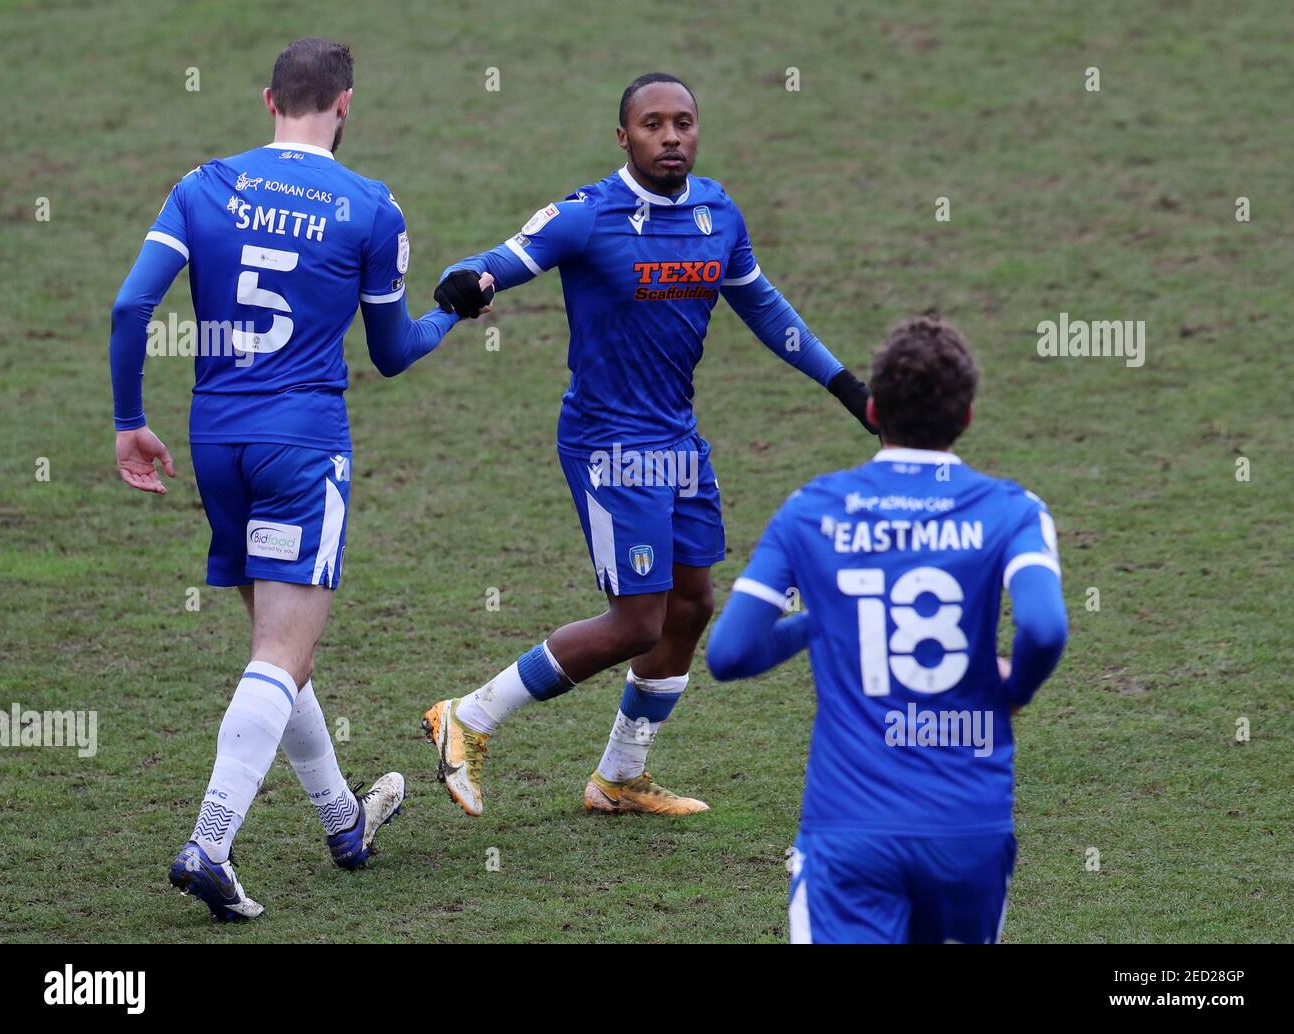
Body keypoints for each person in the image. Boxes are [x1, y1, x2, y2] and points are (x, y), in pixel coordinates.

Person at [421, 73, 876, 817]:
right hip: (608, 443)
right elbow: (489, 263)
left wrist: (851, 391)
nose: (671, 136)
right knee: (637, 619)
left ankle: (619, 776)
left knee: (691, 603)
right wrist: (465, 283)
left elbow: (766, 309)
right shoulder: (587, 215)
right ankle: (467, 717)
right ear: (624, 137)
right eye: (653, 124)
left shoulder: (716, 212)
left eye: (684, 122)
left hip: (676, 438)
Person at [109, 38, 489, 920]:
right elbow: (391, 355)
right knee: (280, 653)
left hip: (218, 445)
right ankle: (209, 841)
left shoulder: (203, 184)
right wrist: (449, 314)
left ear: (267, 100)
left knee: (282, 653)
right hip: (303, 449)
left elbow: (133, 305)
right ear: (344, 105)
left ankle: (344, 822)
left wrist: (131, 420)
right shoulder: (369, 207)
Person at [706, 316, 1068, 943]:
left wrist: (819, 621)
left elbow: (730, 652)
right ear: (968, 417)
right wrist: (1017, 688)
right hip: (968, 831)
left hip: (850, 833)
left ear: (873, 409)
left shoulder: (810, 510)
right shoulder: (1014, 510)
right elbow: (1043, 626)